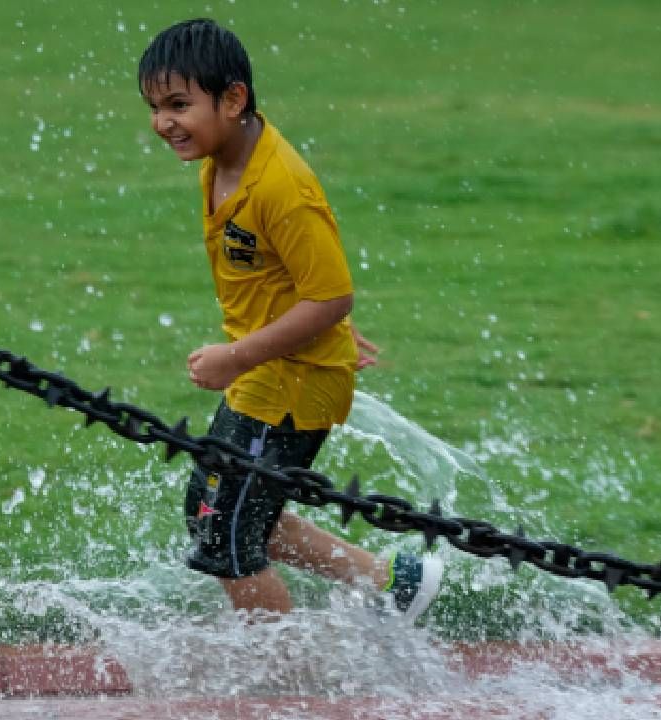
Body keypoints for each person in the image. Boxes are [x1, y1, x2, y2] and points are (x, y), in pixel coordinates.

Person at [137, 18, 442, 621]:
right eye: (153, 107)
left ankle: (283, 682)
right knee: (221, 505)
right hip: (276, 371)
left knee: (224, 538)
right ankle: (394, 583)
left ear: (234, 98)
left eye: (178, 104)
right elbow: (298, 281)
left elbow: (332, 296)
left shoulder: (280, 186)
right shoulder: (221, 157)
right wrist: (311, 323)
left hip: (289, 384)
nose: (163, 122)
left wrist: (239, 355)